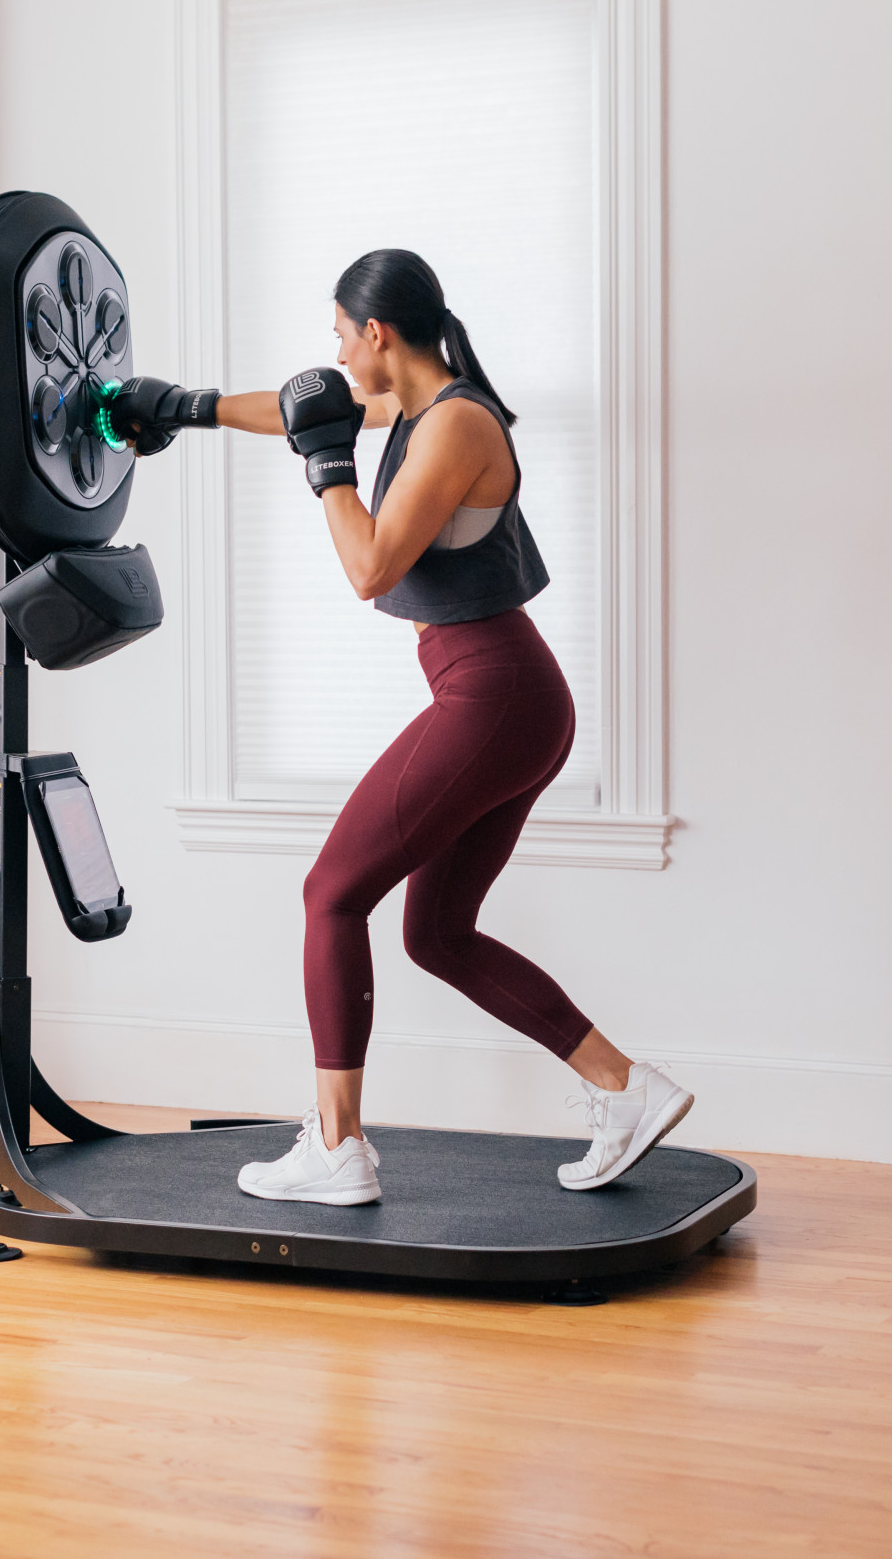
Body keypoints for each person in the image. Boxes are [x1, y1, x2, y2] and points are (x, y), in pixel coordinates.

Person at [202, 250, 692, 1206]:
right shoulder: (417, 411)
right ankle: (626, 1087)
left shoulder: (458, 423)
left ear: (376, 332)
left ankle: (337, 1147)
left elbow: (371, 566)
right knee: (436, 932)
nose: (335, 353)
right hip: (505, 694)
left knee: (331, 893)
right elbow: (303, 408)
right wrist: (185, 408)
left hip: (494, 693)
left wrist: (328, 471)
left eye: (341, 334)